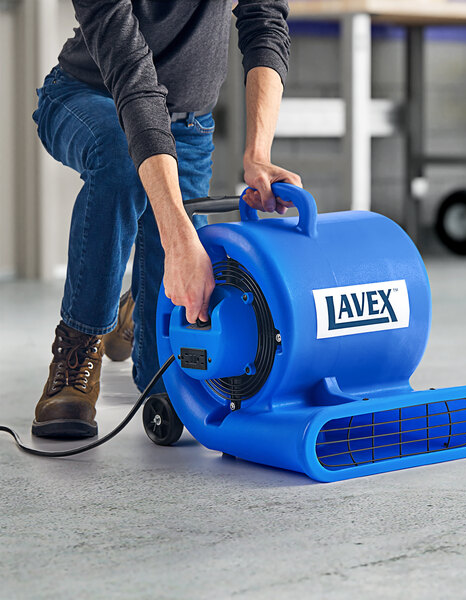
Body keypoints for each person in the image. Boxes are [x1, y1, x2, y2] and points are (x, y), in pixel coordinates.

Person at [31, 0, 301, 439]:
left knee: (164, 378)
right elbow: (132, 78)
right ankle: (78, 348)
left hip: (188, 126)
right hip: (89, 95)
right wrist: (177, 239)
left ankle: (137, 307)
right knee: (120, 161)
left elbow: (265, 18)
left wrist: (258, 155)